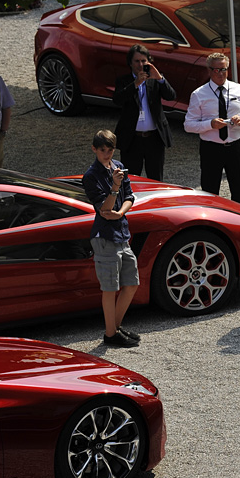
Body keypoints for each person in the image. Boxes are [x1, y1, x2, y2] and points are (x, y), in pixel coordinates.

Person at [81, 130, 141, 348]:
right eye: (103, 150)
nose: (107, 155)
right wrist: (115, 187)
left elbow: (130, 197)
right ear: (94, 149)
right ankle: (110, 334)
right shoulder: (90, 176)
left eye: (110, 150)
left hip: (121, 233)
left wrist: (121, 213)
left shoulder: (118, 166)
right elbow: (103, 209)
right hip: (104, 237)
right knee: (109, 288)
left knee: (132, 283)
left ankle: (114, 328)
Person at [183, 53, 240, 204]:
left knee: (239, 190)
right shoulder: (199, 94)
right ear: (209, 71)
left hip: (236, 146)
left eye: (224, 69)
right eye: (216, 70)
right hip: (211, 148)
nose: (221, 73)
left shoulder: (239, 89)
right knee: (210, 193)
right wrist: (210, 124)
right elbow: (188, 125)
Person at [113, 44, 176, 182]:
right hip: (132, 139)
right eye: (137, 61)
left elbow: (171, 96)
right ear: (130, 63)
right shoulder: (124, 80)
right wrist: (135, 84)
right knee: (130, 179)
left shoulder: (155, 80)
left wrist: (160, 78)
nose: (140, 65)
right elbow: (117, 100)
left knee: (156, 178)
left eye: (144, 61)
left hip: (154, 138)